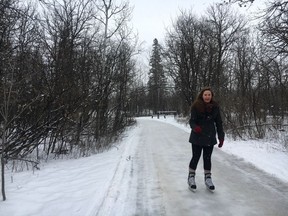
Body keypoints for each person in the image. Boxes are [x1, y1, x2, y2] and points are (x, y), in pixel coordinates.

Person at [188, 87, 225, 191]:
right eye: (205, 95)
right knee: (196, 157)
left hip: (209, 136)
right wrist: (195, 127)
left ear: (211, 96)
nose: (207, 96)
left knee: (207, 158)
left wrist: (221, 137)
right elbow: (191, 121)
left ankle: (208, 178)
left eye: (209, 95)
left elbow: (219, 123)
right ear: (202, 96)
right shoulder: (196, 106)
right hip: (197, 136)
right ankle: (191, 177)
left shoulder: (215, 107)